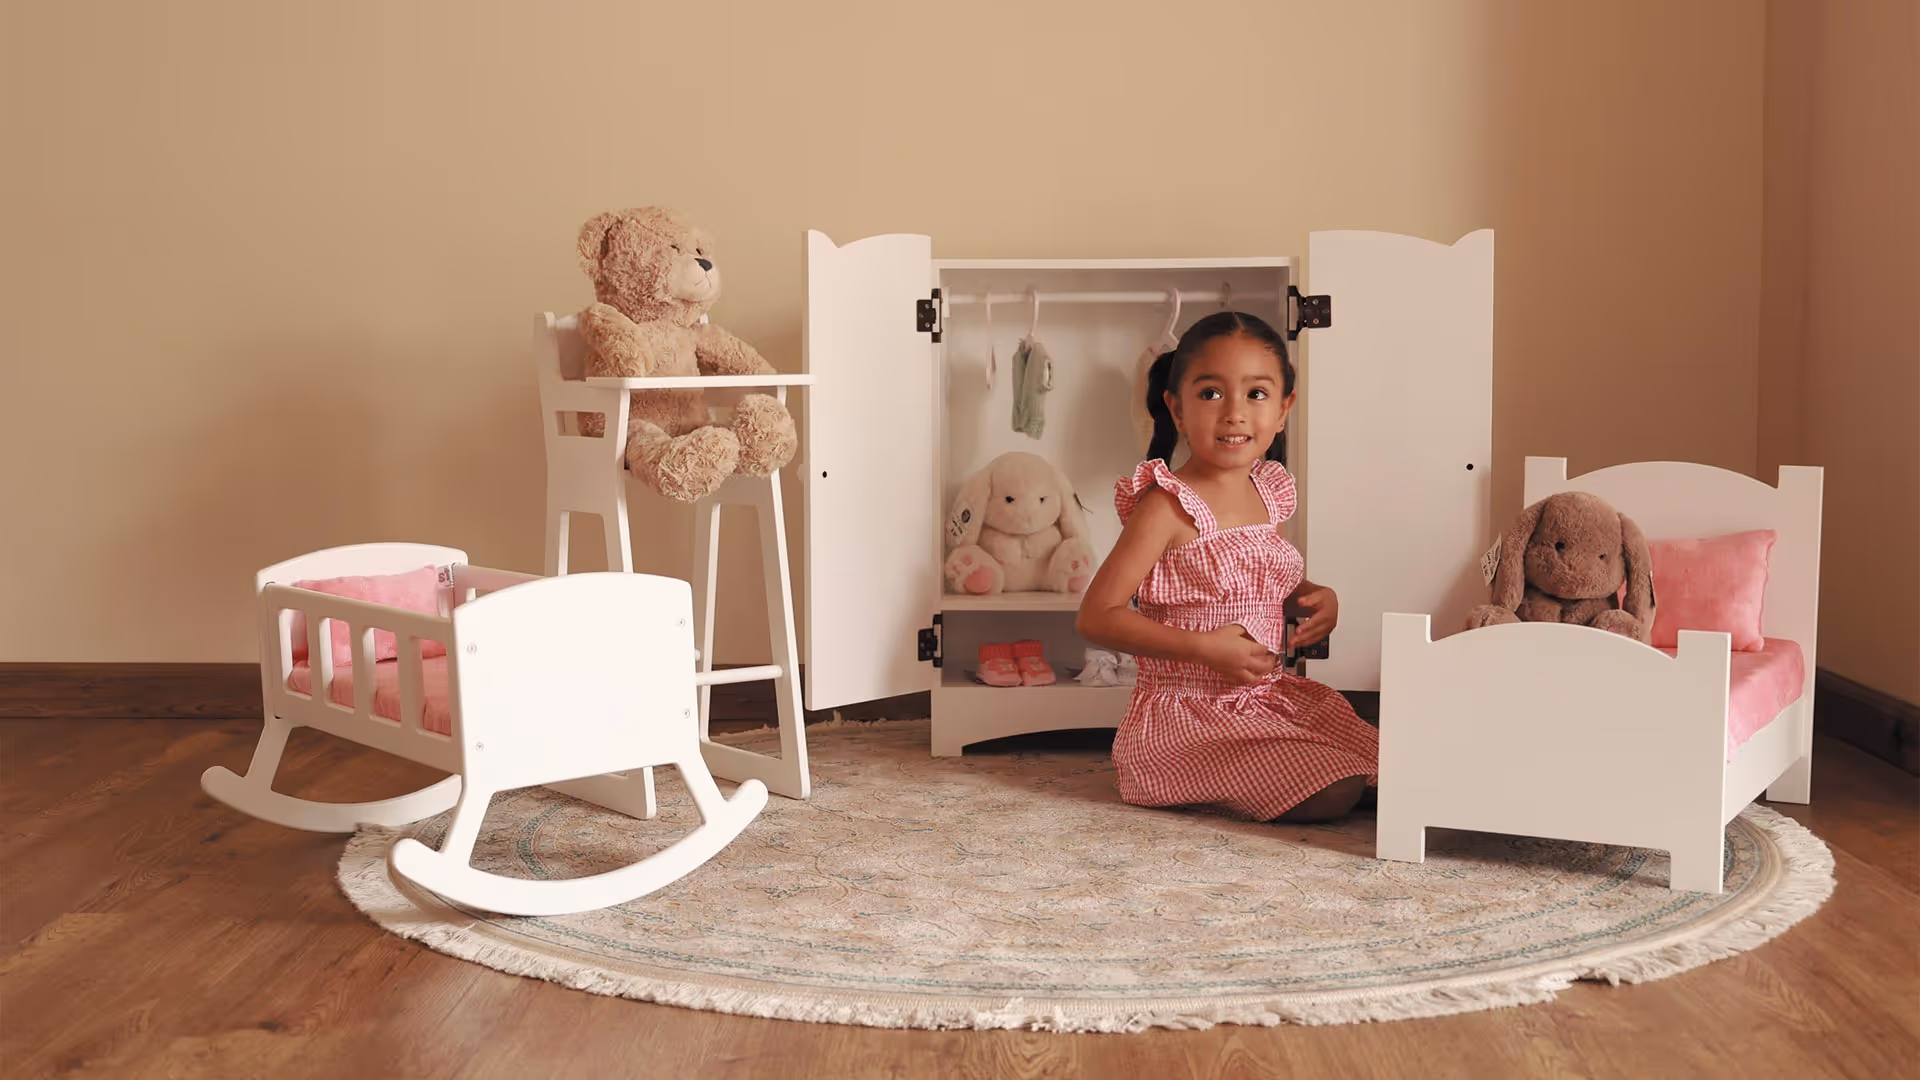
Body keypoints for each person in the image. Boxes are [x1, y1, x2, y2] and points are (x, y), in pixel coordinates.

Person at [1076, 311, 1378, 822]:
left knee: (1394, 761)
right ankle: (1187, 777)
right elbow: (1097, 615)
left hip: (1265, 698)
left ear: (1284, 410)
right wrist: (1202, 647)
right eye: (1211, 394)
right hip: (1189, 718)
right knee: (1336, 787)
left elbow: (1255, 577)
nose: (1235, 414)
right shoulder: (1167, 506)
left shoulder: (1267, 492)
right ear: (1176, 408)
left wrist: (1314, 596)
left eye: (1256, 395)